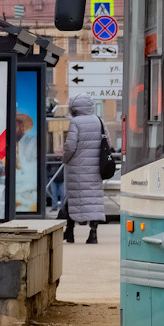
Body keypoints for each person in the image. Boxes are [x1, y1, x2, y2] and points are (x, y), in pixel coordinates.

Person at [62, 94, 106, 244]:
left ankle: (70, 232)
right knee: (94, 200)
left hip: (77, 168)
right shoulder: (99, 121)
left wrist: (65, 159)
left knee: (74, 198)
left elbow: (70, 146)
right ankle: (93, 234)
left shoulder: (75, 122)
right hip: (95, 169)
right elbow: (108, 142)